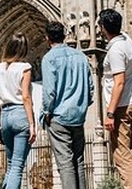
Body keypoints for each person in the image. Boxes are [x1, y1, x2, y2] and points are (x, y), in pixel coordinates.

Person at [41, 21, 94, 189]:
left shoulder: (49, 58)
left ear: (47, 38)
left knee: (65, 164)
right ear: (65, 35)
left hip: (59, 117)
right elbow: (91, 87)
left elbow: (49, 92)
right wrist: (83, 105)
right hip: (78, 116)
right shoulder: (80, 56)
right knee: (78, 161)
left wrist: (46, 112)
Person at [99, 9, 132, 189]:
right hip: (131, 103)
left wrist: (109, 113)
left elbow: (119, 82)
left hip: (120, 108)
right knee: (130, 155)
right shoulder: (126, 40)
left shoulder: (116, 50)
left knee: (123, 158)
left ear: (103, 28)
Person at [0, 33, 36, 189]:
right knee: (17, 167)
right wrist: (32, 124)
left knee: (11, 166)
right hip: (20, 114)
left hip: (4, 116)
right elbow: (26, 97)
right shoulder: (25, 68)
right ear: (23, 50)